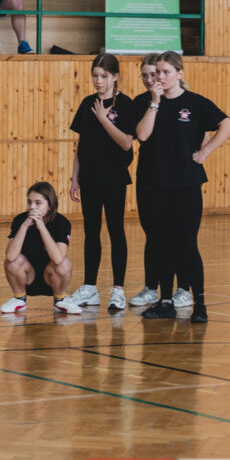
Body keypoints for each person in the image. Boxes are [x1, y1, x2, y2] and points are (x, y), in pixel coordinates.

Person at [134, 52, 230, 323]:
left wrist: (205, 153)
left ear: (179, 73)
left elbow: (227, 125)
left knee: (187, 244)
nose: (160, 78)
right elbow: (142, 135)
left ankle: (199, 302)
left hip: (186, 185)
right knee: (162, 243)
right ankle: (165, 300)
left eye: (166, 72)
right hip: (155, 185)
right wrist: (155, 102)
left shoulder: (195, 103)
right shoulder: (147, 102)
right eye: (157, 73)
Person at [66, 54, 135, 311]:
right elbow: (81, 144)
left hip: (114, 178)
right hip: (90, 179)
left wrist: (104, 119)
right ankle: (90, 287)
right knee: (91, 232)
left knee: (116, 231)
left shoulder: (125, 105)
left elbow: (127, 143)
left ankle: (118, 289)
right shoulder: (87, 103)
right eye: (95, 75)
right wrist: (75, 177)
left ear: (115, 77)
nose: (99, 81)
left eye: (104, 76)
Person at [130, 54, 195, 310]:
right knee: (153, 234)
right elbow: (141, 136)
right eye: (145, 75)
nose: (150, 79)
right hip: (149, 178)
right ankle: (151, 286)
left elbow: (198, 133)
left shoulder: (182, 101)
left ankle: (183, 288)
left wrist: (201, 152)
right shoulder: (141, 102)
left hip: (178, 181)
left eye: (154, 74)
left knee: (180, 235)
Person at [1, 182, 77, 314]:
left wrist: (41, 227)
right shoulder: (20, 220)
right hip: (27, 277)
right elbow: (10, 256)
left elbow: (58, 258)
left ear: (50, 205)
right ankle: (19, 299)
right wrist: (24, 226)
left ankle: (60, 301)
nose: (32, 207)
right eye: (29, 202)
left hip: (50, 278)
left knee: (65, 264)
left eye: (38, 203)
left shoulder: (62, 222)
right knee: (12, 263)